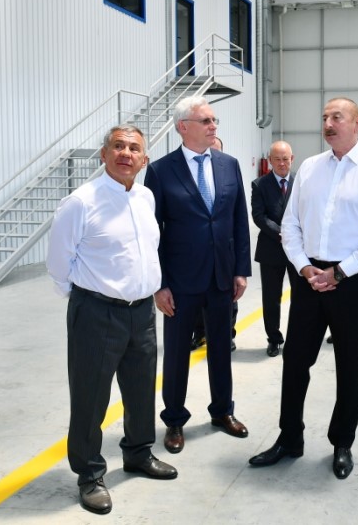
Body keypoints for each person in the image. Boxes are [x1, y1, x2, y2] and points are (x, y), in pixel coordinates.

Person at [248, 97, 358, 479]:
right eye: (324, 118)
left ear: (357, 123)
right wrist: (304, 266)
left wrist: (340, 273)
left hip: (353, 281)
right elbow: (290, 225)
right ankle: (290, 438)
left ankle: (342, 443)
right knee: (295, 361)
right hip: (309, 280)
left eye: (337, 117)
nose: (328, 124)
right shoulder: (310, 169)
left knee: (349, 366)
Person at [47, 125, 177, 515]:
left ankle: (138, 452)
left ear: (144, 160)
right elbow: (58, 263)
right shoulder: (81, 202)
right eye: (117, 146)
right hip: (97, 312)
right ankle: (89, 473)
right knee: (90, 396)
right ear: (103, 154)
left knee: (141, 390)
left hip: (142, 311)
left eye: (134, 148)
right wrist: (88, 299)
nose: (126, 153)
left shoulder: (146, 197)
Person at [145, 96, 252, 455]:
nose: (213, 126)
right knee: (176, 354)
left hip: (221, 276)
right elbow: (153, 232)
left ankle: (222, 411)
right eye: (205, 121)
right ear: (183, 127)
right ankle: (174, 420)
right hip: (180, 282)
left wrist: (240, 270)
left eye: (214, 120)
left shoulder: (228, 165)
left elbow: (238, 219)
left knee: (221, 347)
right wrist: (159, 284)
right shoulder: (161, 171)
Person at [191, 136, 239, 352]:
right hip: (197, 253)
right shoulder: (193, 175)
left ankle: (228, 334)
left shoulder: (229, 172)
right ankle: (200, 333)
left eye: (215, 151)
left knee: (228, 300)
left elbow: (237, 217)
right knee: (198, 298)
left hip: (224, 252)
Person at [251, 140, 298, 357]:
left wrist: (296, 236)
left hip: (298, 250)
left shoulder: (301, 182)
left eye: (285, 159)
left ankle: (298, 338)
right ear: (269, 160)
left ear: (292, 159)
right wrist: (282, 234)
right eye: (277, 159)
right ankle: (274, 339)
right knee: (271, 298)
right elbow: (259, 216)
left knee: (301, 297)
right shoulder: (259, 185)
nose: (281, 163)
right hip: (271, 248)